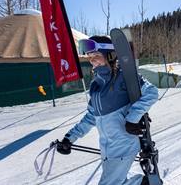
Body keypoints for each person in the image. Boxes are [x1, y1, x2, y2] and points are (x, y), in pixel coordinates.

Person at [55, 36, 158, 185]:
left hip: (124, 144)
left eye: (96, 56)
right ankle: (144, 183)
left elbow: (152, 92)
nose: (92, 60)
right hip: (107, 148)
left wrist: (132, 118)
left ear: (110, 56)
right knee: (116, 182)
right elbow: (91, 117)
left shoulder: (125, 76)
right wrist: (69, 138)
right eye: (89, 57)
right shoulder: (96, 85)